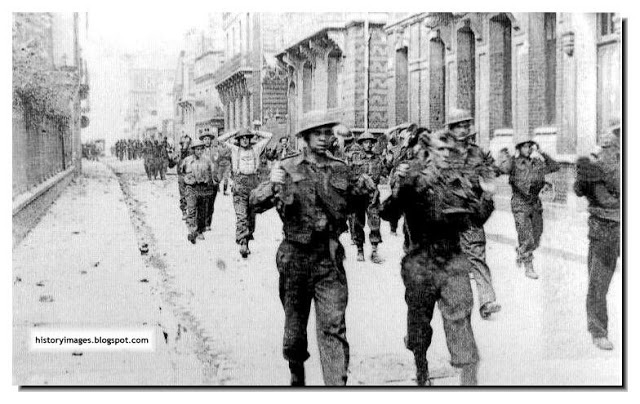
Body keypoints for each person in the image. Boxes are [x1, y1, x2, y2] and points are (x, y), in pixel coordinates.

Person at [380, 130, 494, 386]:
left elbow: (477, 218)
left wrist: (487, 195)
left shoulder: (459, 182)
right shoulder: (412, 179)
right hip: (420, 260)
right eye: (440, 150)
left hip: (452, 259)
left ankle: (469, 382)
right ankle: (421, 366)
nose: (446, 156)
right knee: (419, 322)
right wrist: (400, 189)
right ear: (428, 153)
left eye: (450, 151)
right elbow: (388, 214)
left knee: (460, 316)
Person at [250, 119, 353, 386]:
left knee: (334, 327)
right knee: (295, 331)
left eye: (327, 133)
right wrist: (272, 184)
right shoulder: (287, 167)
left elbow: (359, 201)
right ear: (305, 137)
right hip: (295, 258)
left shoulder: (341, 169)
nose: (322, 138)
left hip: (328, 259)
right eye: (316, 134)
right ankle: (297, 373)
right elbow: (255, 202)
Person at [445, 109, 501, 320]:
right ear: (450, 129)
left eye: (465, 125)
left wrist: (487, 192)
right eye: (458, 126)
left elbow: (490, 175)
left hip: (471, 214)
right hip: (449, 216)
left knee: (477, 256)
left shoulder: (478, 153)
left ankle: (487, 300)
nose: (462, 129)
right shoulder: (442, 153)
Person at [574, 120, 620, 351]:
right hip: (607, 227)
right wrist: (586, 176)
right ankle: (598, 330)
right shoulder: (599, 158)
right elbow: (582, 189)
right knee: (598, 283)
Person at [498, 140, 560, 279]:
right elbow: (501, 169)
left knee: (537, 235)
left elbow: (555, 166)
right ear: (519, 148)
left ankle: (522, 252)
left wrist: (542, 152)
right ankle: (528, 266)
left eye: (530, 146)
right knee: (527, 237)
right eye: (525, 146)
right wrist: (507, 155)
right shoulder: (513, 163)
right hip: (520, 204)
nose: (528, 149)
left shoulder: (537, 162)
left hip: (535, 203)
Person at [218, 128, 273, 258]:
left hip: (253, 184)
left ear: (250, 139)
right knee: (241, 215)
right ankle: (242, 242)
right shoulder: (234, 150)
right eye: (241, 138)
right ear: (238, 140)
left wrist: (255, 132)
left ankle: (247, 241)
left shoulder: (256, 149)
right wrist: (234, 132)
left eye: (246, 137)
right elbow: (220, 139)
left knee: (251, 215)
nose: (244, 140)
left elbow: (269, 135)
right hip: (239, 184)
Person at [347, 132, 386, 264]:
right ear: (361, 143)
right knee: (357, 222)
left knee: (375, 221)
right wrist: (361, 178)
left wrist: (389, 162)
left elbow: (384, 173)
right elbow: (348, 175)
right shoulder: (354, 157)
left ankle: (374, 251)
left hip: (373, 195)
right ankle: (359, 250)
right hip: (359, 194)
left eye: (370, 142)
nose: (368, 144)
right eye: (365, 142)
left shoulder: (378, 158)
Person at [180, 138, 219, 244]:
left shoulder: (207, 160)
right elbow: (181, 173)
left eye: (201, 149)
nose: (199, 151)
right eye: (197, 149)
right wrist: (186, 181)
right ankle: (192, 231)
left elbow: (212, 173)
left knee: (202, 211)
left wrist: (213, 182)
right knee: (192, 209)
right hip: (191, 187)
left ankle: (200, 230)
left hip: (203, 188)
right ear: (193, 150)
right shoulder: (187, 160)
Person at [169, 135, 192, 220]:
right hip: (182, 176)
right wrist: (170, 158)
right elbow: (171, 165)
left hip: (191, 176)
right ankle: (184, 211)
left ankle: (191, 212)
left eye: (187, 143)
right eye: (183, 143)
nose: (185, 145)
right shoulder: (178, 153)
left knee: (191, 194)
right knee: (183, 195)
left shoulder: (192, 153)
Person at [199, 131, 219, 232]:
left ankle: (208, 223)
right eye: (205, 139)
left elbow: (218, 164)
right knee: (202, 202)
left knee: (211, 203)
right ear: (202, 141)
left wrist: (217, 178)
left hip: (213, 180)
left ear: (211, 140)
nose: (207, 141)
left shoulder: (215, 150)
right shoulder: (199, 151)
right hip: (202, 180)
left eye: (208, 139)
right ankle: (201, 223)